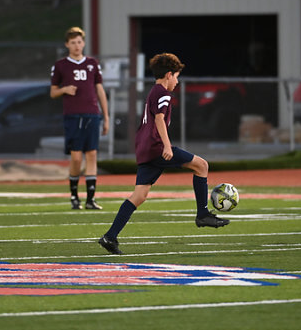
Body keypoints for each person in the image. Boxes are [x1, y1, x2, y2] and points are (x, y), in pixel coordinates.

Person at [98, 52, 229, 255]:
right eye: (176, 77)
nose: (177, 81)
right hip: (156, 147)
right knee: (202, 165)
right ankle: (203, 214)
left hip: (145, 148)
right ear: (169, 75)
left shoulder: (154, 91)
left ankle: (110, 236)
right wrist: (167, 146)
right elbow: (159, 119)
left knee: (139, 195)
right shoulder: (163, 93)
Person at [50, 27, 110, 210]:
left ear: (83, 43)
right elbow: (53, 92)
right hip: (73, 116)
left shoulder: (92, 63)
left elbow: (99, 89)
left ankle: (90, 199)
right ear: (67, 45)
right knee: (76, 158)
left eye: (79, 42)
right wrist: (64, 89)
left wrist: (106, 116)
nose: (77, 46)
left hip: (92, 113)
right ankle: (74, 195)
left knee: (92, 154)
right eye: (73, 42)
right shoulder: (61, 65)